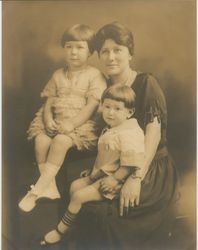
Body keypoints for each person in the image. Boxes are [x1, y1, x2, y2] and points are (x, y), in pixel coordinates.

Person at [72, 22, 179, 249]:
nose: (111, 57)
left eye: (117, 50)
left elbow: (153, 133)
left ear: (130, 53)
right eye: (105, 51)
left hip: (148, 168)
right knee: (74, 187)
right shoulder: (101, 86)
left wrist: (135, 178)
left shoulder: (146, 83)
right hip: (114, 164)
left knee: (110, 216)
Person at [40, 85, 145, 245]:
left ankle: (60, 231)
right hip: (102, 174)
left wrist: (115, 180)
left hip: (116, 181)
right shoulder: (113, 128)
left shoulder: (129, 133)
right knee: (75, 185)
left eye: (117, 109)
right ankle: (74, 223)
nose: (110, 112)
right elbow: (108, 157)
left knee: (79, 196)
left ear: (129, 112)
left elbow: (129, 165)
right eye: (107, 106)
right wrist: (93, 172)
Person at [18, 24, 107, 212]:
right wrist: (48, 119)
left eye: (80, 47)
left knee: (59, 141)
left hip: (82, 124)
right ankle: (49, 188)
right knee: (41, 140)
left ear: (90, 51)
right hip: (57, 121)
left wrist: (72, 123)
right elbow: (49, 102)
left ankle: (38, 190)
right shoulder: (58, 75)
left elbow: (92, 106)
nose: (73, 52)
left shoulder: (94, 75)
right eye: (69, 47)